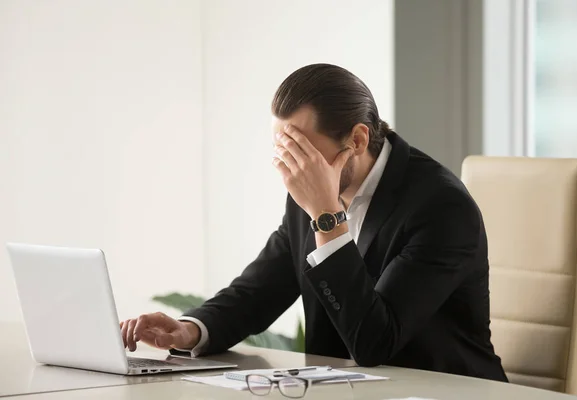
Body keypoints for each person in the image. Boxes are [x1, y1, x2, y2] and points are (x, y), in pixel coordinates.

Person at [120, 63, 508, 381]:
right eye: (284, 149)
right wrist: (189, 330)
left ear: (357, 140)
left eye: (302, 150)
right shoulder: (307, 192)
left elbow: (375, 342)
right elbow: (258, 292)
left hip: (445, 390)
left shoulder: (441, 207)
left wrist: (327, 218)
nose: (293, 168)